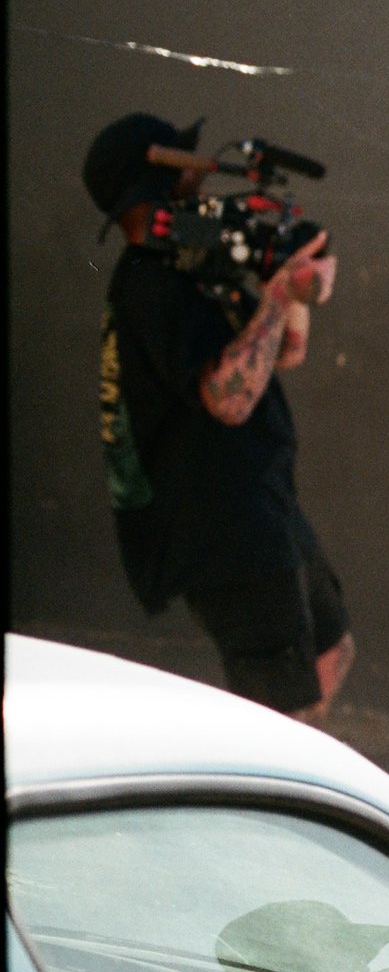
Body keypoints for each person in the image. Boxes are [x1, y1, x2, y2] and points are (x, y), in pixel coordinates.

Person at [86, 113, 350, 719]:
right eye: (184, 170)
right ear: (151, 187)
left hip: (262, 500)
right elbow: (229, 399)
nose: (199, 181)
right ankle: (272, 805)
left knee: (330, 654)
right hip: (221, 526)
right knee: (284, 712)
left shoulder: (193, 263)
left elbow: (286, 352)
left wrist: (296, 291)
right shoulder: (147, 284)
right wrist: (280, 295)